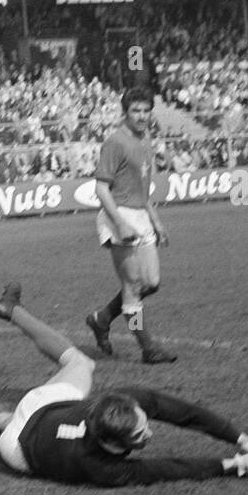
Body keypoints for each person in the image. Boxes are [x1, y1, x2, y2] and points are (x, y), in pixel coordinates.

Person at [0, 283, 248, 487]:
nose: (150, 432)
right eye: (138, 436)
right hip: (19, 450)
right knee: (7, 424)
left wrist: (243, 439)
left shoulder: (124, 401)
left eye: (143, 426)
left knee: (77, 365)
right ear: (110, 444)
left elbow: (186, 414)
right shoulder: (103, 469)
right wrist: (233, 464)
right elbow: (169, 469)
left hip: (44, 409)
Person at [84, 86, 177, 363]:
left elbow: (142, 189)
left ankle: (101, 319)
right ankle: (148, 347)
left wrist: (156, 221)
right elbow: (101, 189)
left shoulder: (146, 139)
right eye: (135, 110)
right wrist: (120, 223)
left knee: (152, 283)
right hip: (118, 215)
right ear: (125, 112)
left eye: (146, 110)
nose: (141, 115)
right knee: (133, 286)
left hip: (141, 215)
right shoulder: (115, 142)